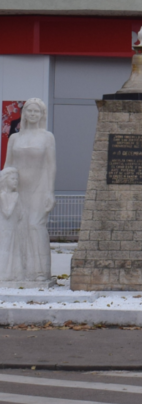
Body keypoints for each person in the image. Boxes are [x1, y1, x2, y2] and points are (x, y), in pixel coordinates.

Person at [2, 98, 55, 283]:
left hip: (39, 188)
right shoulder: (14, 138)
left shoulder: (47, 137)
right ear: (24, 114)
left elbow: (51, 166)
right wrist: (3, 189)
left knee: (35, 225)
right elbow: (8, 165)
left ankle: (40, 271)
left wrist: (50, 192)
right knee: (18, 227)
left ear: (42, 115)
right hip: (17, 188)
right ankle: (18, 271)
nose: (33, 114)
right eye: (30, 111)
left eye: (36, 111)